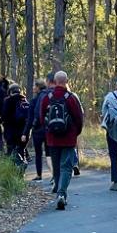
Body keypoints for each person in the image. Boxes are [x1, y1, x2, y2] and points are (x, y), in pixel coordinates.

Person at [38, 70, 84, 210]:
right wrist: (76, 133)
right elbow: (78, 117)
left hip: (52, 138)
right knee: (66, 167)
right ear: (66, 81)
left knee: (56, 168)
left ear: (55, 81)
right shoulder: (70, 97)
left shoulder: (47, 97)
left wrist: (48, 131)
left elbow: (41, 117)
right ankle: (62, 194)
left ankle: (58, 191)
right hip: (68, 138)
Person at [22, 78, 50, 180]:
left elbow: (30, 119)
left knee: (38, 153)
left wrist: (25, 132)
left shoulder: (34, 100)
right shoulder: (48, 97)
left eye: (35, 86)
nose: (33, 88)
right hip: (47, 128)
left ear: (38, 87)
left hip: (37, 129)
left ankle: (39, 174)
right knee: (49, 152)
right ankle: (54, 175)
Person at [3, 83, 31, 170]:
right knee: (21, 149)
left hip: (11, 131)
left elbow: (4, 116)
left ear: (10, 91)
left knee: (11, 151)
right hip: (24, 131)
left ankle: (17, 167)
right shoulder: (25, 100)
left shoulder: (8, 101)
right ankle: (22, 170)